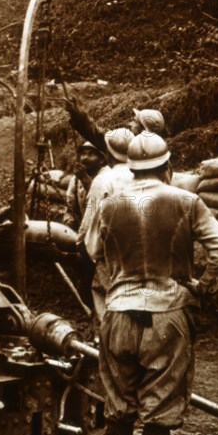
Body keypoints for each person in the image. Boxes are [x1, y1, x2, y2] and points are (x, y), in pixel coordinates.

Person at [86, 132, 218, 435]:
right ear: (168, 168)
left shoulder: (109, 204)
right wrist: (206, 289)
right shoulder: (186, 201)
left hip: (118, 312)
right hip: (167, 312)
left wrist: (116, 278)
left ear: (132, 169)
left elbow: (93, 249)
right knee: (161, 402)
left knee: (119, 401)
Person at [79, 128, 135, 321]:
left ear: (108, 153)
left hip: (112, 256)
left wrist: (87, 250)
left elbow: (89, 225)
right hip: (142, 254)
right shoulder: (143, 175)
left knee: (105, 300)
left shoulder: (104, 180)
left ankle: (108, 343)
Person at [63, 94, 166, 153]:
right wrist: (76, 113)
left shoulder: (127, 147)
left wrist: (76, 113)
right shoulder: (158, 151)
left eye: (135, 121)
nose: (130, 123)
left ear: (143, 129)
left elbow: (97, 135)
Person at [63, 141, 107, 231]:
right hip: (84, 228)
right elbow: (70, 209)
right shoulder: (75, 180)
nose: (85, 158)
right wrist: (69, 221)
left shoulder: (106, 176)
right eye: (83, 154)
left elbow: (101, 202)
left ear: (101, 160)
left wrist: (85, 179)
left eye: (90, 154)